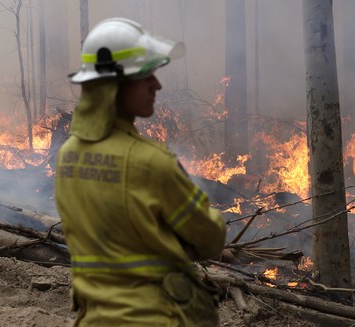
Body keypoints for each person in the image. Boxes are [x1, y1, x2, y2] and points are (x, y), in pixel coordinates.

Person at [54, 17, 227, 327]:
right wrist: (172, 243)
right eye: (145, 75)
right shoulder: (152, 162)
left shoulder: (68, 156)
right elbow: (210, 239)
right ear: (113, 86)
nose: (156, 85)